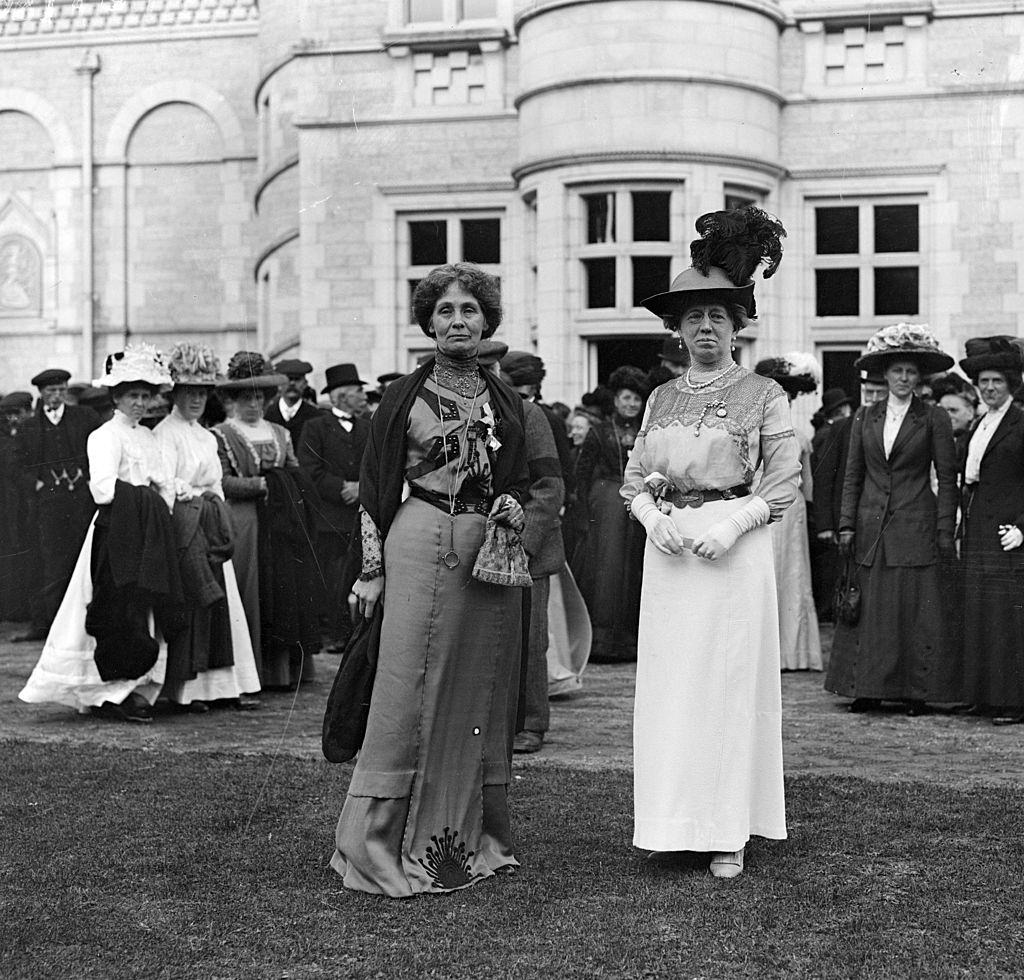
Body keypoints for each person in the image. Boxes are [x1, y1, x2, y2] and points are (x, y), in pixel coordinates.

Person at [331, 262, 529, 897]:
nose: (458, 322)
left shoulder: (504, 399)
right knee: (404, 688)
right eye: (445, 311)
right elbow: (372, 490)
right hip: (415, 541)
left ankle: (469, 843)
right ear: (428, 322)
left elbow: (519, 479)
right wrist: (371, 569)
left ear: (487, 321)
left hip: (485, 555)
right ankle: (375, 845)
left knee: (476, 691)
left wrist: (514, 506)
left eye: (469, 311)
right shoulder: (402, 397)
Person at [625, 205, 798, 879]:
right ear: (677, 328)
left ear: (737, 327)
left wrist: (731, 523)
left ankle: (729, 829)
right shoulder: (661, 397)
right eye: (693, 318)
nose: (705, 330)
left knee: (727, 686)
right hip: (670, 553)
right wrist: (648, 513)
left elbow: (782, 479)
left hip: (733, 549)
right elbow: (635, 472)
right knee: (673, 688)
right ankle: (673, 824)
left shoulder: (763, 394)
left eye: (717, 318)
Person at [19, 344, 181, 723]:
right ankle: (106, 690)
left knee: (143, 607)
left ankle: (137, 686)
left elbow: (166, 483)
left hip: (145, 531)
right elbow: (104, 489)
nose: (140, 403)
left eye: (145, 396)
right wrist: (148, 495)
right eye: (132, 396)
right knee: (112, 605)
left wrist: (160, 499)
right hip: (116, 531)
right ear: (116, 397)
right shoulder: (105, 436)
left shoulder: (148, 436)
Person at [826, 323, 959, 716]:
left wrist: (943, 530)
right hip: (869, 526)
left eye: (910, 372)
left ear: (920, 378)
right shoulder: (866, 417)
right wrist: (847, 523)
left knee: (912, 611)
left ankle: (914, 692)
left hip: (915, 522)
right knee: (870, 611)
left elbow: (947, 479)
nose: (903, 378)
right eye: (897, 371)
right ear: (884, 375)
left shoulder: (933, 418)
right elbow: (853, 475)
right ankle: (865, 689)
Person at [154, 343, 261, 712]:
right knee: (194, 603)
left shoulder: (205, 435)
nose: (196, 400)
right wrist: (193, 502)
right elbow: (166, 483)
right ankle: (185, 691)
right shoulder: (166, 433)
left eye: (201, 393)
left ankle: (221, 687)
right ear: (176, 394)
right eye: (189, 393)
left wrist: (216, 512)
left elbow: (216, 483)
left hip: (211, 522)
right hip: (185, 524)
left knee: (221, 605)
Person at [214, 353, 321, 690]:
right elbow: (223, 481)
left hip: (280, 522)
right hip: (245, 521)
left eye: (259, 397)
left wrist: (281, 482)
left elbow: (292, 469)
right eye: (246, 398)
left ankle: (285, 671)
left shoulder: (279, 431)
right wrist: (262, 484)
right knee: (251, 588)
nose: (253, 405)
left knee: (285, 589)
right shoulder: (222, 434)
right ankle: (252, 672)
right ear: (232, 400)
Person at [483, 343, 565, 755]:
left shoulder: (527, 415)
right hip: (477, 548)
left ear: (497, 370)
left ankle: (531, 722)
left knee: (530, 640)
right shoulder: (458, 417)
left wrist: (524, 543)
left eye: (482, 369)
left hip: (527, 551)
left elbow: (549, 488)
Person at [957, 337, 1024, 725]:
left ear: (1011, 383)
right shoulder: (982, 421)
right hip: (979, 529)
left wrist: (1022, 529)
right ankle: (983, 695)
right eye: (984, 381)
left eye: (997, 380)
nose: (989, 388)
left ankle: (1013, 702)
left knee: (1008, 618)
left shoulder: (1020, 421)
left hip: (1008, 532)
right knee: (981, 613)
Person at [13, 368, 100, 641]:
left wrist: (90, 479)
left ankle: (85, 624)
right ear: (41, 393)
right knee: (50, 562)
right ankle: (49, 625)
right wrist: (36, 485)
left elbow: (99, 447)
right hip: (47, 504)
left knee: (83, 557)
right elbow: (15, 464)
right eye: (51, 391)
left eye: (62, 390)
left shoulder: (84, 418)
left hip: (81, 502)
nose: (57, 396)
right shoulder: (29, 426)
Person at [572, 365, 648, 663]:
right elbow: (582, 474)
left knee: (634, 568)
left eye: (636, 400)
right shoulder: (599, 432)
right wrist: (583, 513)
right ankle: (602, 640)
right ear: (616, 399)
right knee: (607, 569)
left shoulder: (648, 432)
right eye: (626, 398)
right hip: (604, 509)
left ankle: (629, 640)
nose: (631, 405)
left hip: (638, 506)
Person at [754, 354, 824, 671]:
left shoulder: (799, 436)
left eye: (790, 396)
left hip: (790, 509)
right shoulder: (752, 432)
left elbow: (807, 483)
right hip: (758, 503)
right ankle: (762, 649)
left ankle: (793, 651)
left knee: (792, 572)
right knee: (764, 572)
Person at [296, 362, 371, 653]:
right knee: (334, 579)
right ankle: (337, 633)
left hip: (362, 515)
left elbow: (377, 466)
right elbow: (309, 470)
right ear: (340, 396)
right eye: (357, 391)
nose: (363, 396)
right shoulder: (315, 428)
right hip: (330, 519)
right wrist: (342, 488)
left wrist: (360, 489)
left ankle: (359, 633)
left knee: (363, 574)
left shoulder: (369, 425)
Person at [810, 386, 855, 620]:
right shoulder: (831, 434)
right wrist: (825, 522)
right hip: (834, 511)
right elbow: (824, 476)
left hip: (835, 512)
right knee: (834, 569)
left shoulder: (827, 432)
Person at [0, 391, 38, 622]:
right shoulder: (7, 437)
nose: (14, 418)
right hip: (9, 505)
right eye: (9, 414)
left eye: (18, 413)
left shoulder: (34, 432)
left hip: (26, 502)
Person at [264, 358, 322, 447]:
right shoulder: (266, 415)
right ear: (279, 384)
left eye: (297, 379)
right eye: (288, 379)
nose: (292, 383)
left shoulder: (316, 417)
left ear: (305, 384)